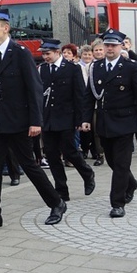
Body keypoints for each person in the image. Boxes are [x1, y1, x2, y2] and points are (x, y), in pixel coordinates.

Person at [0, 9, 66, 229]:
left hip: (19, 121)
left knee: (29, 165)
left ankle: (56, 202)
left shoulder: (20, 53)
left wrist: (36, 121)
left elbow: (35, 89)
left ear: (5, 28)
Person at [81, 29, 137, 218]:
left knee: (121, 164)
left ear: (121, 46)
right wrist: (85, 119)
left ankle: (117, 203)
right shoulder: (96, 67)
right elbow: (89, 95)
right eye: (107, 45)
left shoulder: (131, 67)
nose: (110, 48)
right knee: (113, 162)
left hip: (125, 122)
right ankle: (131, 183)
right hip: (104, 123)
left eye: (113, 45)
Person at [38, 39, 95, 202]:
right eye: (43, 54)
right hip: (48, 119)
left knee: (69, 151)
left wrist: (81, 119)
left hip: (66, 118)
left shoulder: (72, 69)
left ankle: (87, 173)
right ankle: (62, 190)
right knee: (52, 155)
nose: (45, 57)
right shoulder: (42, 70)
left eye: (48, 53)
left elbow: (80, 95)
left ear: (57, 52)